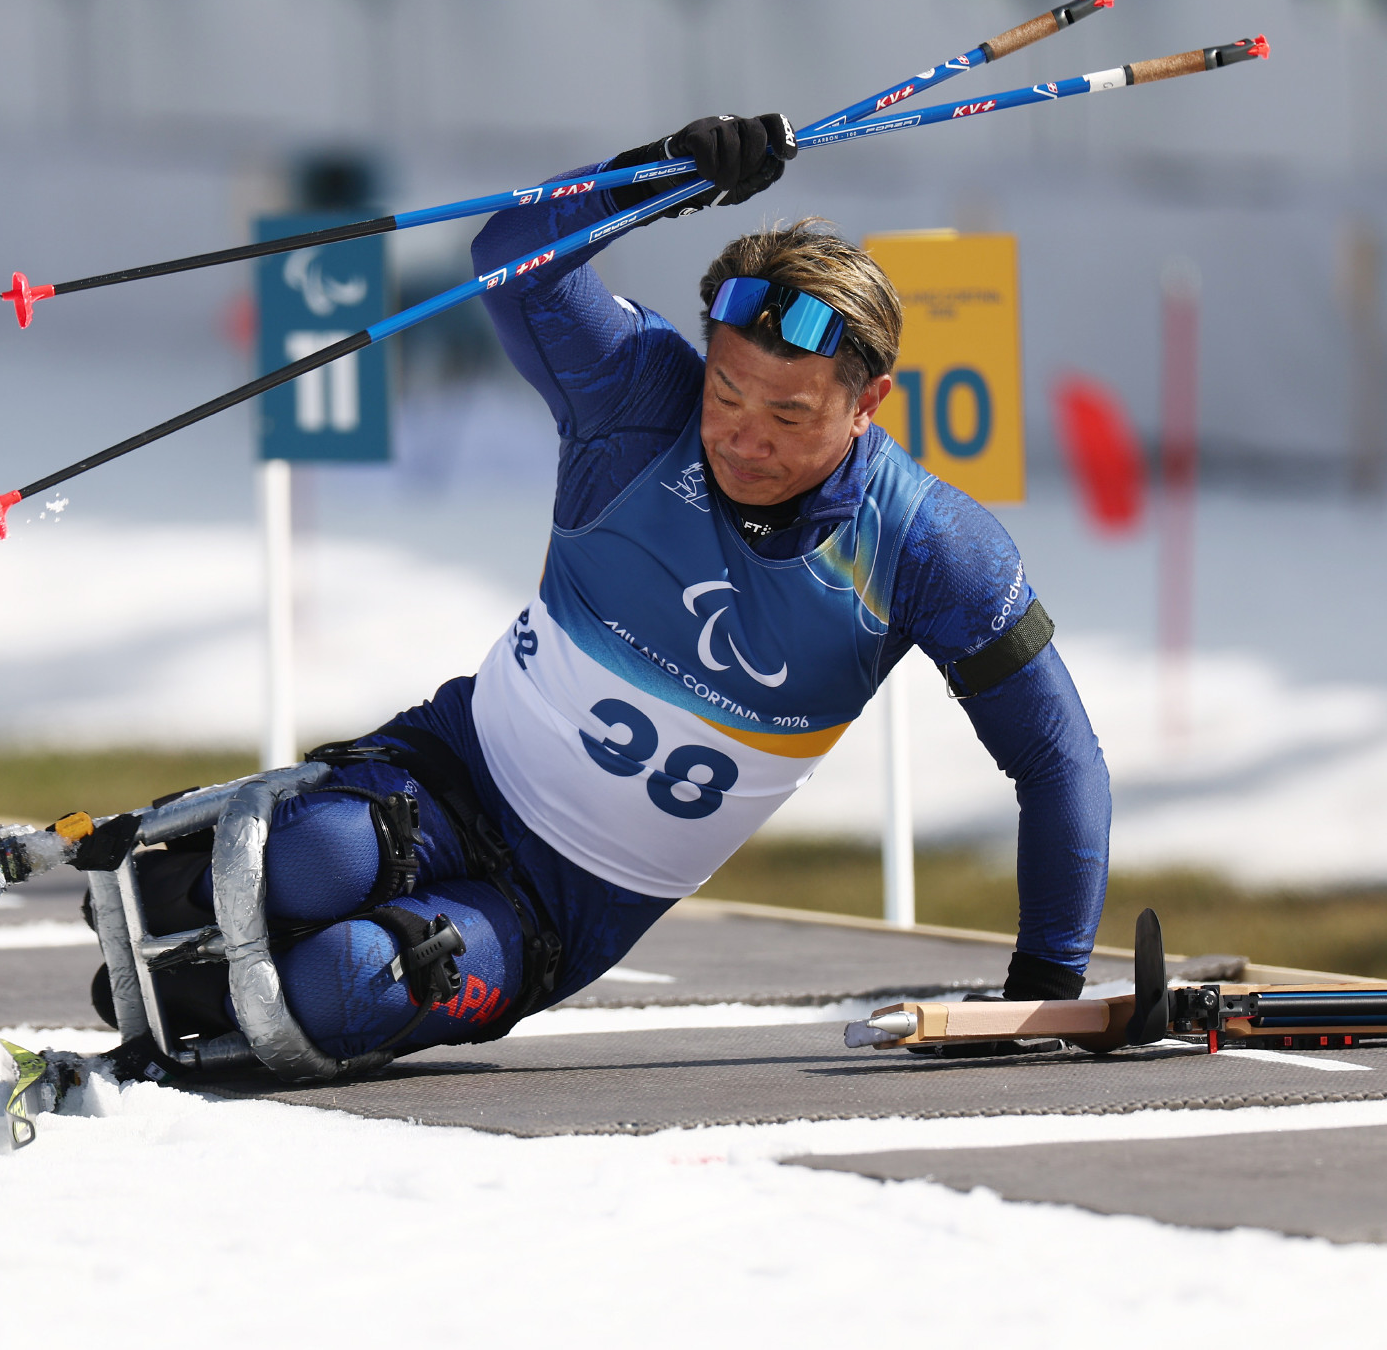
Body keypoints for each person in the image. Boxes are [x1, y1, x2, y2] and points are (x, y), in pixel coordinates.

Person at [101, 113, 1111, 1066]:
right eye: (726, 393)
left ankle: (198, 990)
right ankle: (174, 938)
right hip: (453, 774)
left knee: (348, 980)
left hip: (556, 910)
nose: (743, 438)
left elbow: (1057, 759)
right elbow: (511, 260)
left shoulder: (929, 547)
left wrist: (1046, 985)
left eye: (789, 416)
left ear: (867, 404)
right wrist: (660, 174)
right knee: (309, 858)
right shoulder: (639, 400)